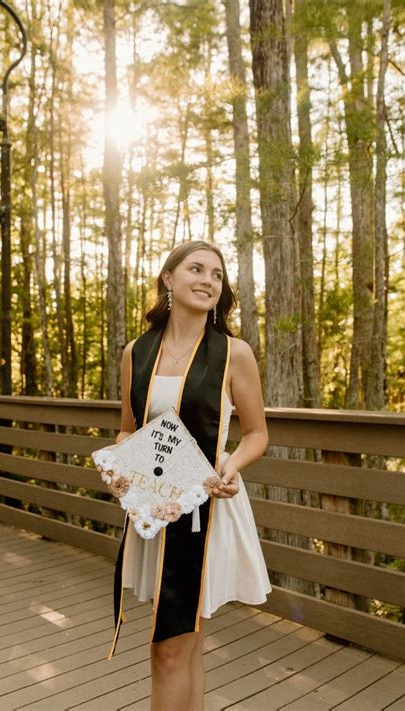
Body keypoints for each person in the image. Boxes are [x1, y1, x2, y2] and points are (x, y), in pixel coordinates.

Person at [112, 240, 271, 711]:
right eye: (196, 269)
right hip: (155, 504)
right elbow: (127, 430)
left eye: (217, 275)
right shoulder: (136, 353)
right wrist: (120, 464)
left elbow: (257, 433)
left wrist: (232, 465)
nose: (207, 281)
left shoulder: (233, 354)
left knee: (170, 648)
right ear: (169, 278)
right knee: (188, 644)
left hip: (206, 509)